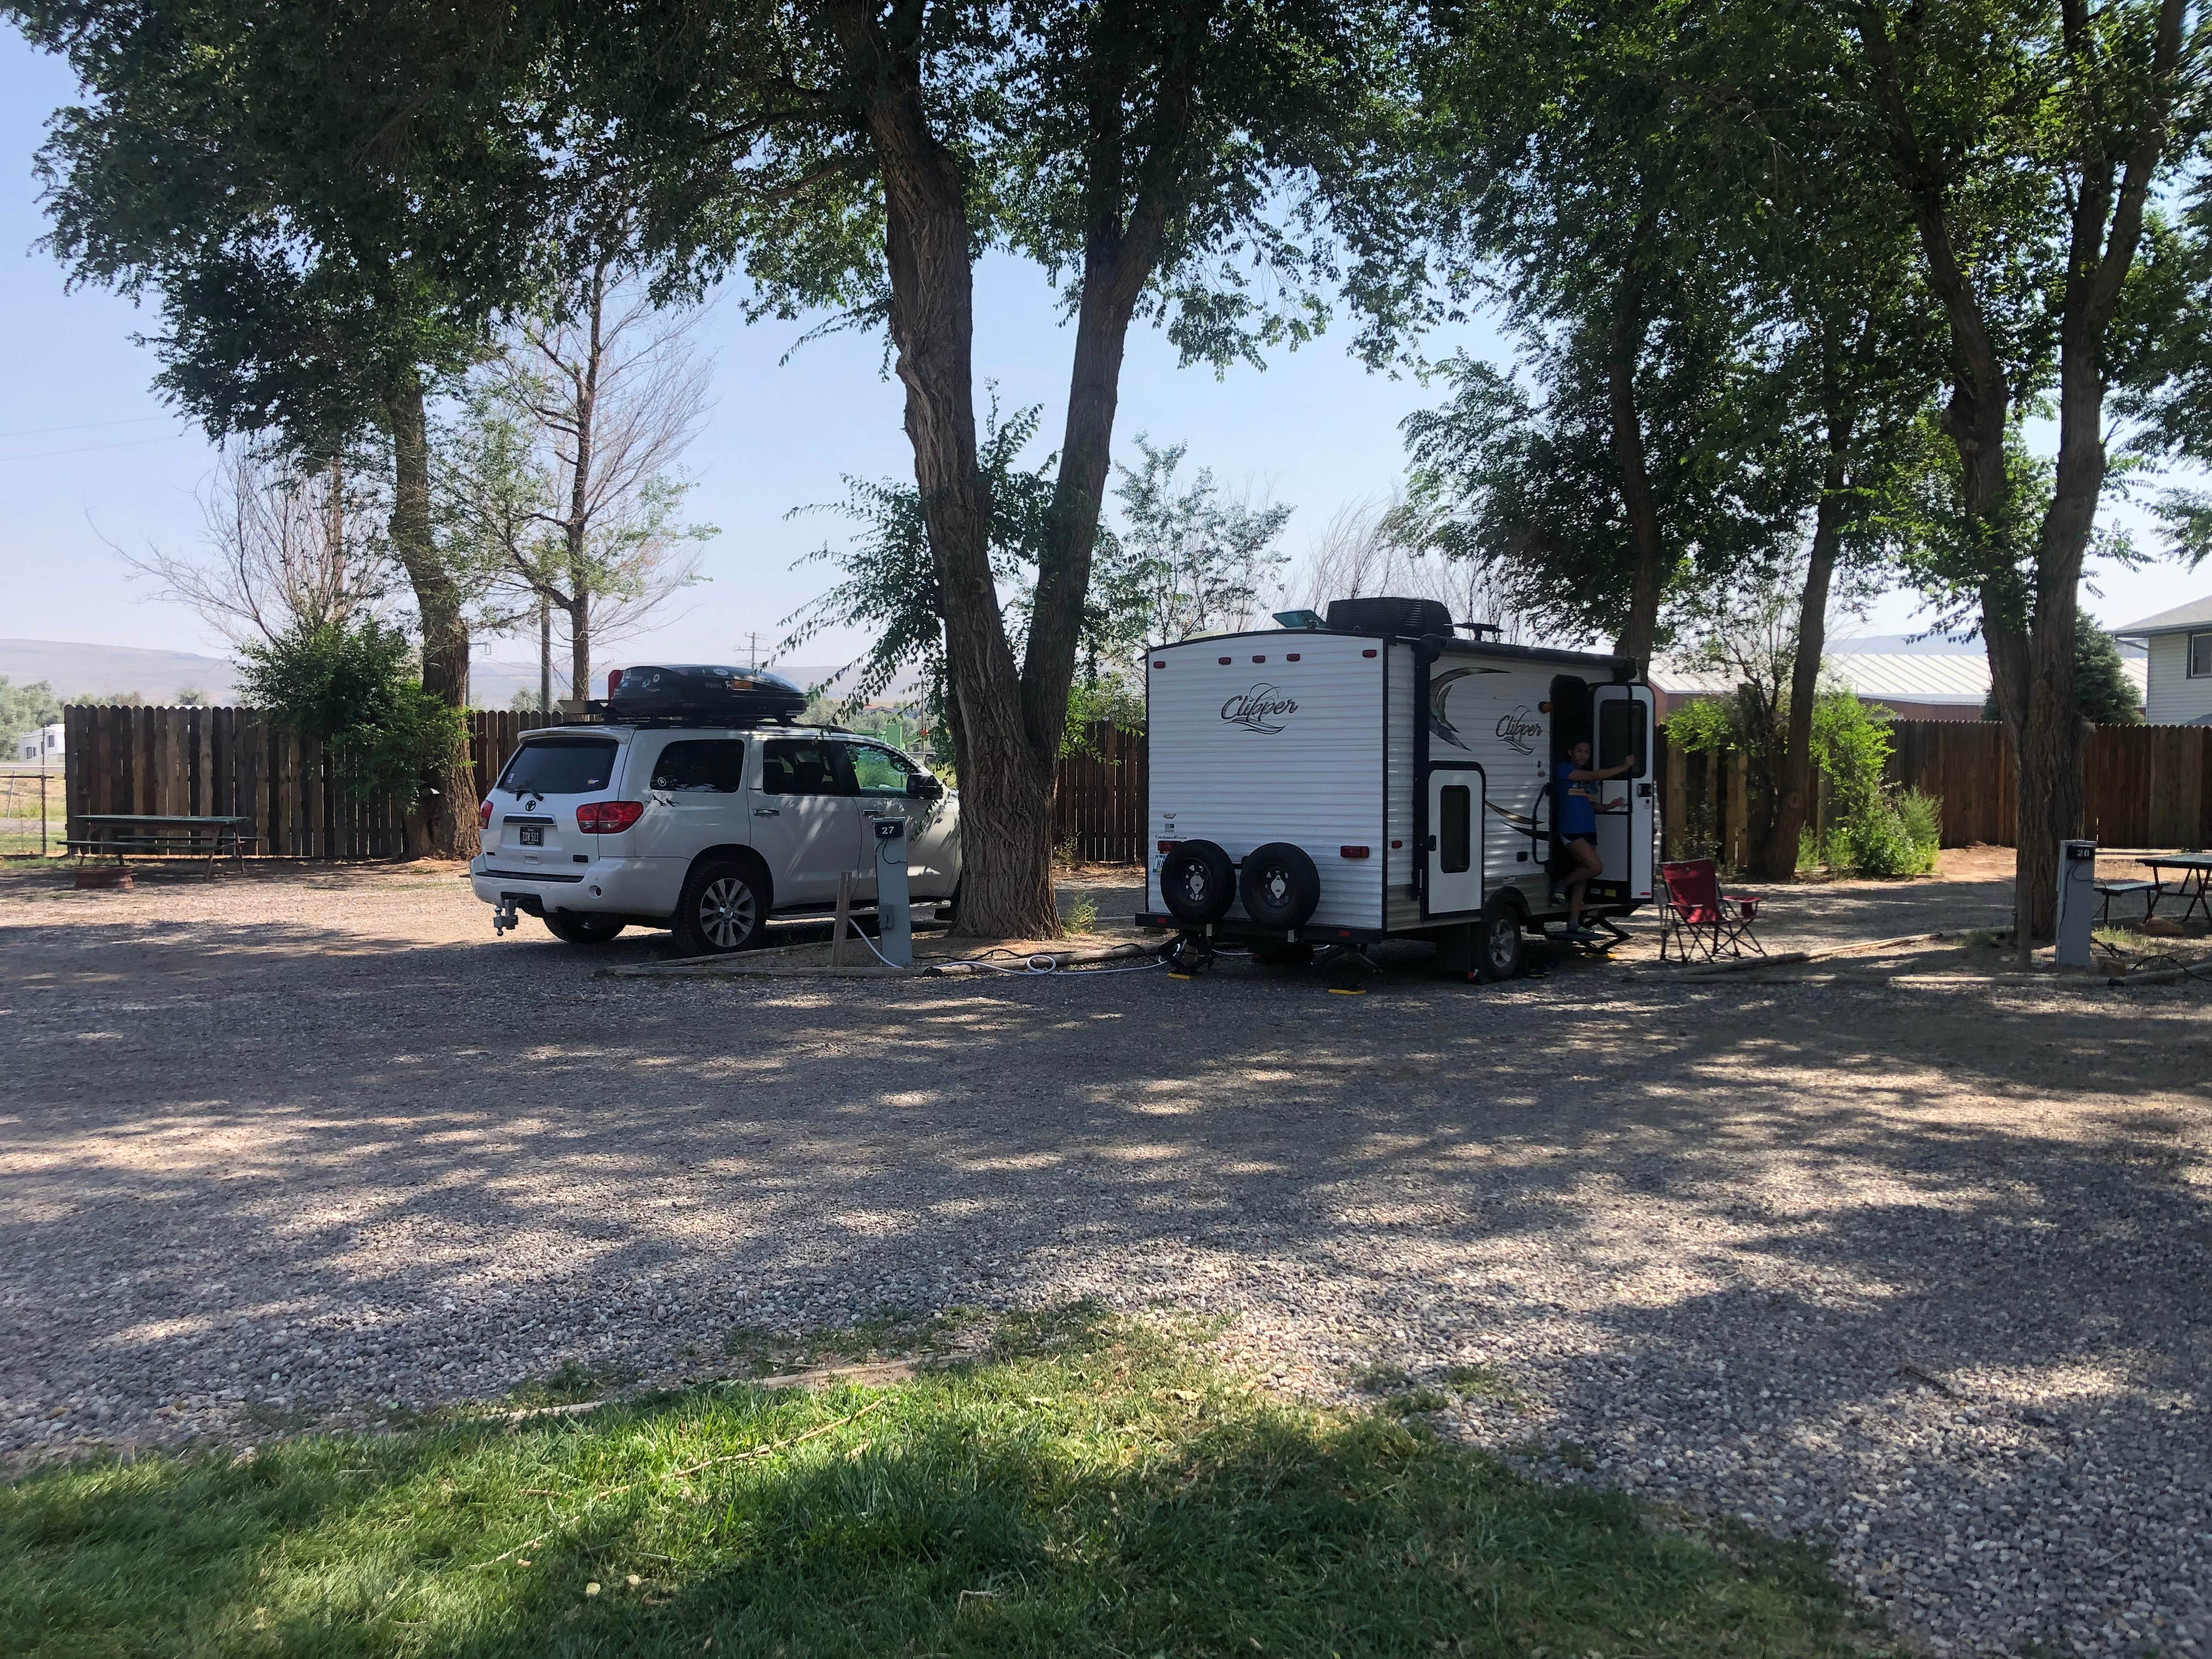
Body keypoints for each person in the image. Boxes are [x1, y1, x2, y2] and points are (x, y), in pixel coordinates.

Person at [1553, 737, 1639, 939]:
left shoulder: (1589, 786)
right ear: (1570, 753)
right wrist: (1624, 767)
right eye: (1579, 751)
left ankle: (1574, 924)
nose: (1583, 755)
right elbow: (1593, 775)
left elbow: (1594, 807)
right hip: (1571, 829)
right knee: (1595, 867)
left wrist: (1611, 805)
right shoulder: (1564, 770)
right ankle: (1560, 885)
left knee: (1583, 877)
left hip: (1588, 829)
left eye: (1587, 752)